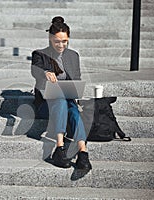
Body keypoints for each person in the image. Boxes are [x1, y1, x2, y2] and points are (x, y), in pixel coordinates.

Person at [31, 16, 92, 170]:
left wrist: (74, 89)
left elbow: (77, 79)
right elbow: (35, 71)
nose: (61, 45)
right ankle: (59, 147)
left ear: (68, 38)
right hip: (46, 104)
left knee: (71, 107)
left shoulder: (73, 56)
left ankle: (83, 153)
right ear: (50, 38)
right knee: (59, 99)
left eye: (64, 41)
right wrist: (45, 73)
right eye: (57, 41)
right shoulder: (39, 54)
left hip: (68, 101)